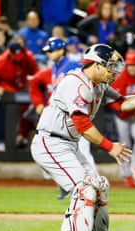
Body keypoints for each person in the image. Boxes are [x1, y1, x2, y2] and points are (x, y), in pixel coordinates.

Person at [30, 43, 135, 231]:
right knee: (84, 188)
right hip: (50, 142)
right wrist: (111, 147)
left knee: (100, 185)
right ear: (97, 64)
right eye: (109, 66)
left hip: (67, 143)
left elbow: (122, 104)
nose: (114, 71)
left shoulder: (99, 83)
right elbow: (82, 124)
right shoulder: (76, 83)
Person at [29, 37, 95, 199]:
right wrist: (38, 102)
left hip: (76, 115)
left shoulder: (73, 66)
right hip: (60, 118)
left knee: (84, 154)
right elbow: (35, 82)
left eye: (51, 51)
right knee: (66, 155)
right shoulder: (54, 68)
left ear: (61, 50)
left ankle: (95, 187)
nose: (49, 54)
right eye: (48, 51)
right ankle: (69, 185)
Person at [0, 38, 39, 149]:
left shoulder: (26, 56)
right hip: (8, 86)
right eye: (16, 57)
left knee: (28, 110)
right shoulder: (0, 61)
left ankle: (22, 136)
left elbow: (35, 72)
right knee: (12, 111)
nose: (18, 59)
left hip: (23, 85)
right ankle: (7, 141)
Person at [111, 49, 135, 187]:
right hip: (122, 116)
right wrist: (128, 108)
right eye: (130, 65)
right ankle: (126, 174)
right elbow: (113, 103)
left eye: (134, 65)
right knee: (125, 146)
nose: (132, 67)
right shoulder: (119, 79)